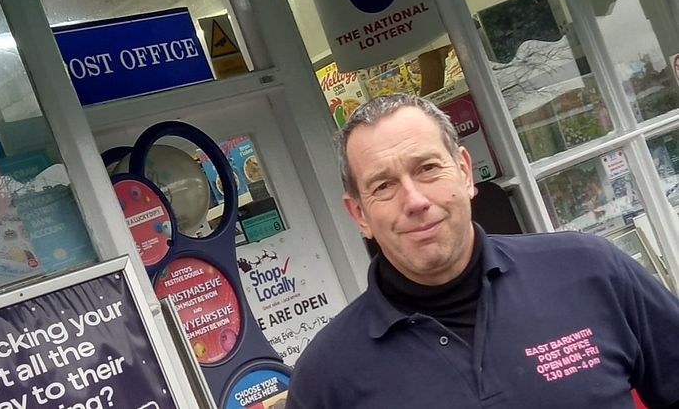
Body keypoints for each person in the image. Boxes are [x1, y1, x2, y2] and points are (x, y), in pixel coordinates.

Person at [285, 94, 679, 409]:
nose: (415, 200)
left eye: (427, 168)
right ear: (359, 214)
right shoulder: (326, 379)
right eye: (383, 186)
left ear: (465, 171)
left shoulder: (590, 270)